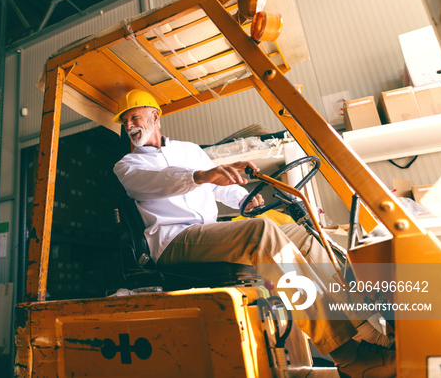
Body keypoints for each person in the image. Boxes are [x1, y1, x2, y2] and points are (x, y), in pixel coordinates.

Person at [112, 90, 395, 378]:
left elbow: (219, 183)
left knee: (303, 234)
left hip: (207, 232)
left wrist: (243, 198)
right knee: (262, 232)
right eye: (125, 122)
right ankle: (347, 354)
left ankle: (366, 327)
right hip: (172, 242)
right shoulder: (128, 165)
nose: (130, 126)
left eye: (134, 117)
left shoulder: (189, 151)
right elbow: (157, 183)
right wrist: (201, 176)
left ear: (155, 116)